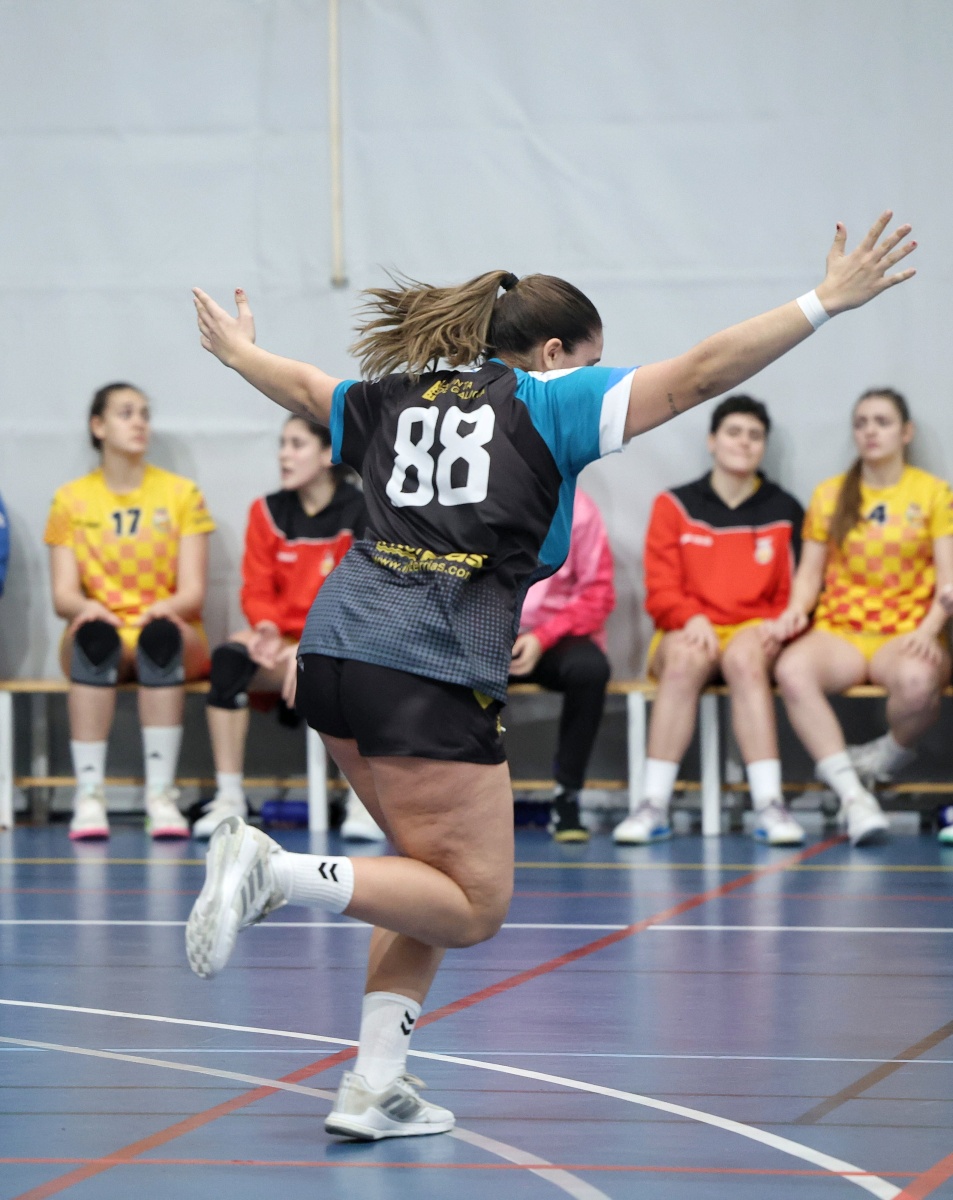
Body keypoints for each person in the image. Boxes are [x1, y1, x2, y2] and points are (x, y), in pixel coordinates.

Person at [186, 212, 916, 1142]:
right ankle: (275, 872)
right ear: (555, 352)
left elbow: (300, 385)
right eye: (592, 361)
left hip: (332, 649)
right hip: (425, 663)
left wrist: (238, 355)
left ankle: (374, 1084)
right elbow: (701, 373)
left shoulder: (396, 395)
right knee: (474, 904)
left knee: (424, 875)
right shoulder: (547, 401)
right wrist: (824, 303)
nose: (598, 375)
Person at [614, 395, 805, 846]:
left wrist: (769, 627)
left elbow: (793, 596)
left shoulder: (786, 510)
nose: (744, 442)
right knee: (683, 661)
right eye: (734, 432)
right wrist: (689, 617)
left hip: (753, 635)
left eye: (755, 435)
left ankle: (769, 806)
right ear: (712, 441)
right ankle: (652, 806)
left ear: (764, 447)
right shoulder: (675, 505)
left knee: (744, 660)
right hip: (689, 630)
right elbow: (660, 588)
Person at [772, 388, 953, 846]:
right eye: (862, 422)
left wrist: (930, 629)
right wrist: (794, 612)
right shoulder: (830, 494)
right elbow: (809, 575)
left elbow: (948, 581)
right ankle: (854, 798)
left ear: (906, 433)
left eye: (882, 422)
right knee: (791, 669)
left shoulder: (933, 493)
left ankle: (882, 757)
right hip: (841, 632)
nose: (870, 431)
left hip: (907, 631)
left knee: (919, 683)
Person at [45, 383, 216, 840]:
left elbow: (193, 592)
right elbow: (63, 597)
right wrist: (91, 608)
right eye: (126, 413)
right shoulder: (70, 499)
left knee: (160, 639)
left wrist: (157, 611)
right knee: (93, 638)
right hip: (104, 629)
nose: (139, 422)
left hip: (168, 628)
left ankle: (161, 796)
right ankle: (89, 795)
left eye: (144, 413)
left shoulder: (181, 493)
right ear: (98, 426)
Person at [195, 415, 375, 840]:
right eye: (282, 444)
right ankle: (229, 798)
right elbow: (256, 587)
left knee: (362, 673)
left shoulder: (363, 510)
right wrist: (266, 627)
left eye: (296, 444)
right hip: (283, 647)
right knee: (228, 660)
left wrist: (313, 645)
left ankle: (365, 801)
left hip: (342, 641)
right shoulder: (266, 511)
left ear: (328, 454)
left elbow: (360, 594)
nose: (284, 455)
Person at [510, 489, 614, 843]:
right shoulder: (477, 497)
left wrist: (543, 637)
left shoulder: (579, 508)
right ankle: (463, 798)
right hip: (492, 628)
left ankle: (567, 797)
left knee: (590, 670)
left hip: (556, 635)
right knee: (447, 669)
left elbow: (598, 593)